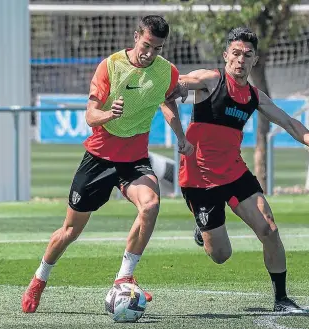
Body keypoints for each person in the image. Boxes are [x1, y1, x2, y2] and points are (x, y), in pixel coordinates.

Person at [22, 15, 194, 313]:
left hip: (135, 160)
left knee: (150, 205)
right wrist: (109, 114)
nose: (150, 53)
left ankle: (124, 277)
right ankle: (39, 279)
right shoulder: (111, 66)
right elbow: (90, 116)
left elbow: (168, 101)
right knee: (70, 231)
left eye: (158, 48)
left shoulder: (167, 72)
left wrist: (180, 135)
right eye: (146, 45)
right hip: (98, 159)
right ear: (136, 36)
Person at [164, 27, 309, 313]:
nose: (241, 60)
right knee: (220, 255)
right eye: (236, 53)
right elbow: (172, 89)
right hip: (199, 178)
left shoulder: (255, 96)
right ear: (226, 55)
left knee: (269, 229)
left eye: (247, 55)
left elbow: (289, 122)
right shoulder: (210, 81)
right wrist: (179, 107)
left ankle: (281, 299)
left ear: (254, 60)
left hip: (234, 172)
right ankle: (202, 227)